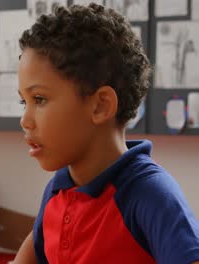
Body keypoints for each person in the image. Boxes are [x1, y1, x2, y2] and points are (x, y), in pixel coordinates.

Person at [13, 3, 199, 264]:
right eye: (24, 102)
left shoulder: (151, 194)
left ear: (100, 106)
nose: (25, 120)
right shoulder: (58, 189)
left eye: (40, 99)